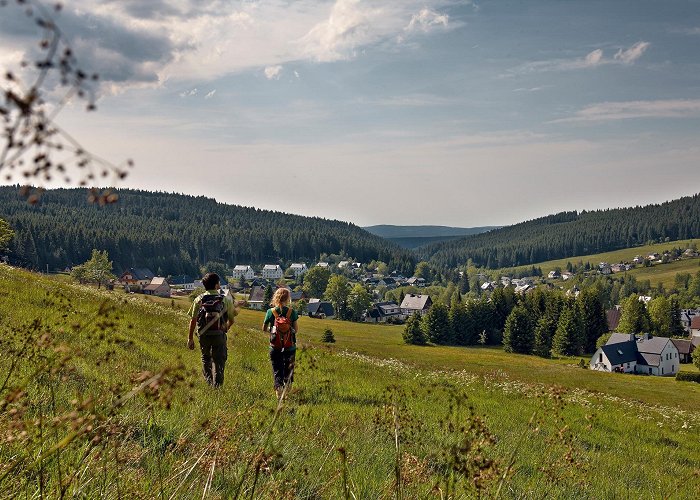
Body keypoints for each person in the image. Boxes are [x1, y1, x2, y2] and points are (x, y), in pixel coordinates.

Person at [188, 273, 236, 387]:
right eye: (219, 282)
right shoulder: (225, 299)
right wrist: (226, 328)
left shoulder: (198, 299)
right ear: (216, 285)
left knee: (206, 359)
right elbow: (232, 320)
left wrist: (190, 338)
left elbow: (193, 320)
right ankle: (217, 387)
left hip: (204, 335)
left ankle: (209, 383)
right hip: (219, 335)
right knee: (219, 360)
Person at [262, 287, 299, 399]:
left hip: (275, 346)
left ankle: (278, 389)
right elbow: (296, 330)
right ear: (288, 299)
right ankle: (287, 390)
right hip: (290, 347)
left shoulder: (270, 312)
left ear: (276, 297)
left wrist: (273, 330)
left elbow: (264, 328)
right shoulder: (292, 312)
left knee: (277, 369)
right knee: (289, 369)